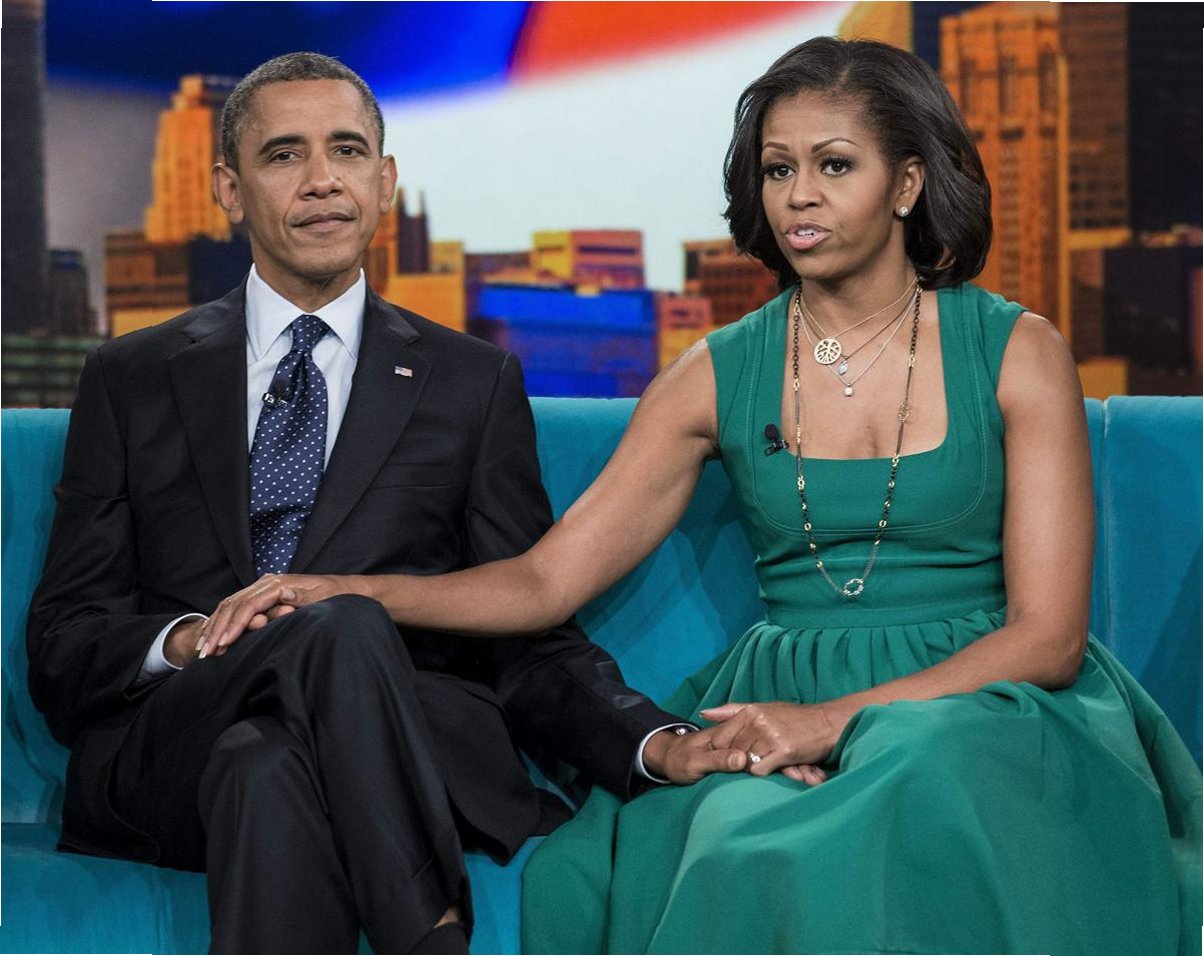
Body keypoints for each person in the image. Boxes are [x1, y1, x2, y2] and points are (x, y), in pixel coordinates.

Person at [195, 39, 1202, 956]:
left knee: (920, 772)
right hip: (778, 691)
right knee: (734, 841)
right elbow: (546, 580)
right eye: (777, 169)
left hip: (984, 698)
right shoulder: (714, 373)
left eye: (833, 166)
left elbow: (1047, 637)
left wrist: (828, 722)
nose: (799, 197)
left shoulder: (1017, 350)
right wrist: (350, 590)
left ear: (905, 183)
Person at [25, 52, 738, 956]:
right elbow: (65, 641)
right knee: (327, 629)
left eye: (347, 151)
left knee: (268, 757)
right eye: (284, 155)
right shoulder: (131, 379)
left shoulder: (471, 384)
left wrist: (652, 742)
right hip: (173, 746)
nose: (322, 180)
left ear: (385, 181)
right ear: (229, 191)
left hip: (385, 740)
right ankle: (429, 932)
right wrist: (195, 638)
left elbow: (528, 629)